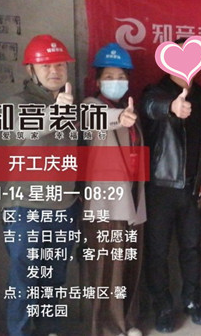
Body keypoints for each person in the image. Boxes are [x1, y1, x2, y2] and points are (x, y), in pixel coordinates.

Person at [2, 34, 81, 336]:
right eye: (45, 65)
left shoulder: (72, 104)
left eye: (60, 64)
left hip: (65, 207)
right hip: (25, 209)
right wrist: (56, 113)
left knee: (53, 281)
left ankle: (50, 331)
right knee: (23, 283)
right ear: (30, 70)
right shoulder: (16, 103)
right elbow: (20, 129)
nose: (54, 71)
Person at [141, 38, 201, 333]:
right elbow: (150, 108)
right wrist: (171, 107)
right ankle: (162, 307)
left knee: (192, 248)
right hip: (159, 188)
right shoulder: (155, 92)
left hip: (193, 189)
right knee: (157, 252)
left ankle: (192, 301)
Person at [82, 43, 145, 336]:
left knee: (129, 262)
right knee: (105, 268)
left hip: (131, 199)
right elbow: (93, 119)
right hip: (104, 204)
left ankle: (127, 322)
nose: (116, 82)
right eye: (109, 77)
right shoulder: (90, 106)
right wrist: (118, 118)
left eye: (121, 76)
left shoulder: (130, 111)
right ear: (97, 81)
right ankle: (105, 328)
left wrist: (124, 117)